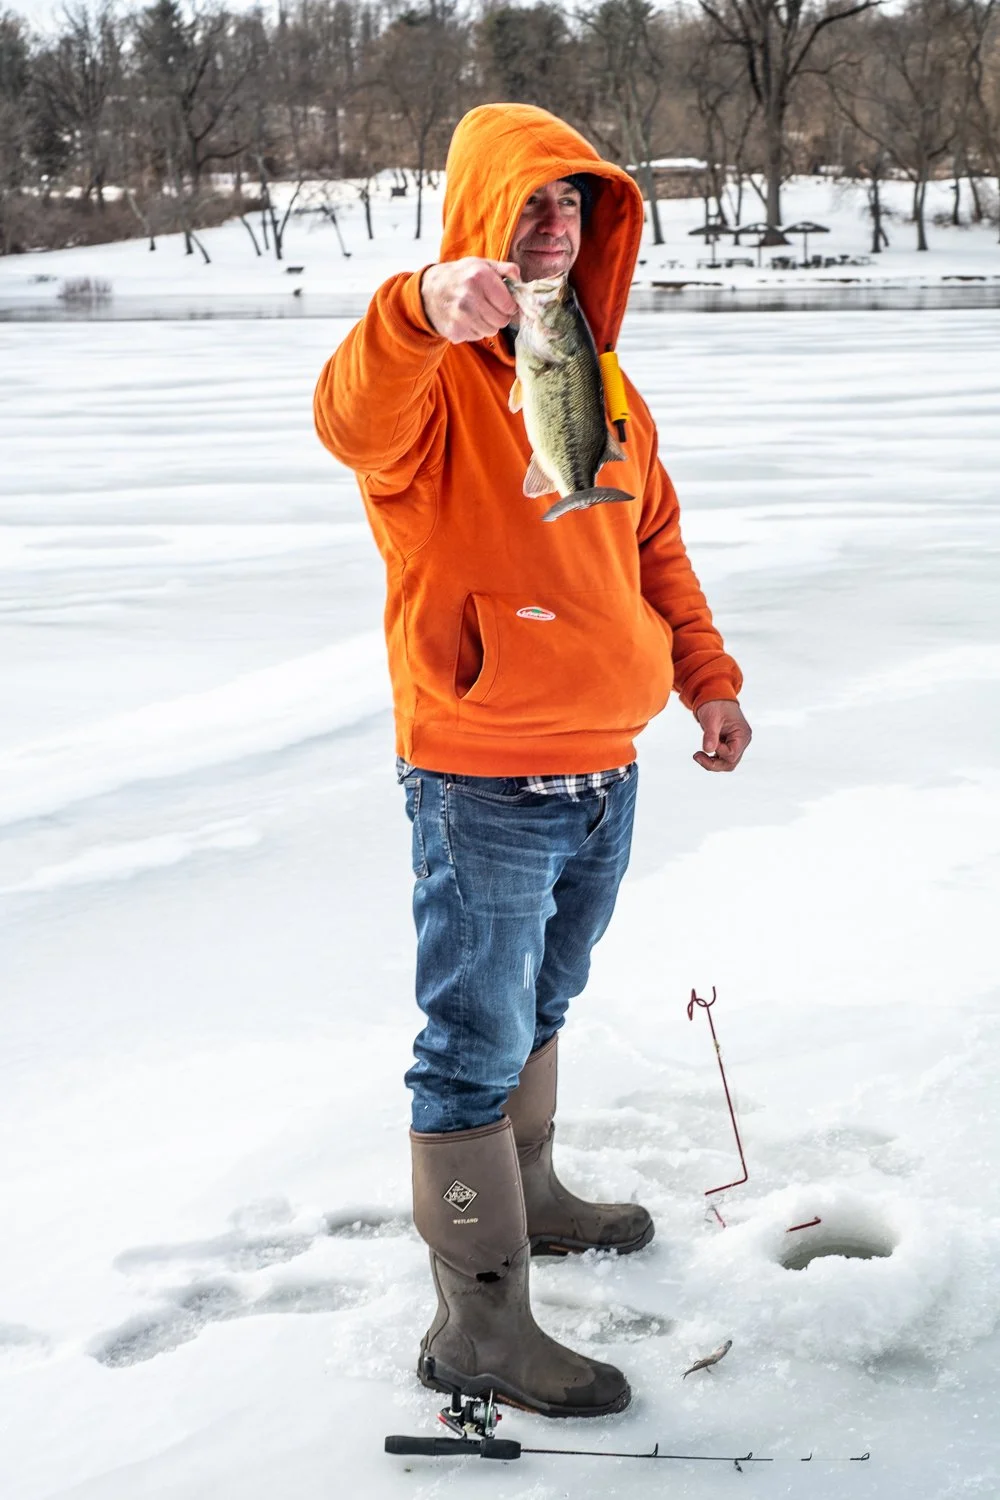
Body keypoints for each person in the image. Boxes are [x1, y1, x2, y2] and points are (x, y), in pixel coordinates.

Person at [314, 103, 751, 1420]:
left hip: (606, 766)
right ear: (478, 217)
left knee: (542, 1001)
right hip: (482, 775)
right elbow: (346, 420)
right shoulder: (429, 386)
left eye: (576, 201)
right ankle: (479, 1329)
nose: (555, 220)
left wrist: (706, 678)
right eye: (531, 199)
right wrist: (417, 310)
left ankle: (535, 1192)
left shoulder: (603, 380)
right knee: (471, 1038)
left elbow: (654, 547)